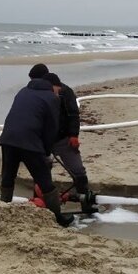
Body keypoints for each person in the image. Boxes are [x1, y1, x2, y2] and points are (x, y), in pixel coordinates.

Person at [0, 72, 73, 227]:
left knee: (8, 176)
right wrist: (46, 151)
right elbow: (51, 128)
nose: (58, 93)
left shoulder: (23, 91)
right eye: (58, 90)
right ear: (53, 86)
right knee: (45, 181)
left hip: (8, 138)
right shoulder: (52, 98)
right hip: (30, 142)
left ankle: (2, 211)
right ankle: (57, 218)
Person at [32, 67, 97, 213]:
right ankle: (41, 204)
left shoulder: (65, 92)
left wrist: (74, 135)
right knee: (41, 172)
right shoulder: (36, 93)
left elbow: (73, 114)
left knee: (77, 170)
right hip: (43, 141)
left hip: (63, 139)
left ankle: (85, 200)